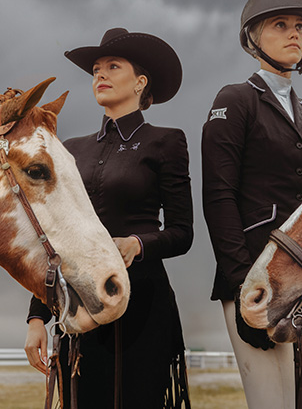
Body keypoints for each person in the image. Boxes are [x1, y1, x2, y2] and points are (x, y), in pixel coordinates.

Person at [25, 28, 193, 409]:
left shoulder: (166, 142)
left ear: (140, 82)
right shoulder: (70, 151)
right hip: (77, 303)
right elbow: (51, 239)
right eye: (96, 69)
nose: (99, 74)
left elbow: (183, 233)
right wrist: (37, 317)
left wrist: (137, 244)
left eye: (112, 66)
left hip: (143, 302)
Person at [201, 0, 302, 408]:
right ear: (252, 37)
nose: (294, 34)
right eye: (280, 25)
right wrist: (243, 287)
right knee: (270, 402)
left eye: (300, 27)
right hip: (254, 276)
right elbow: (218, 195)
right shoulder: (235, 101)